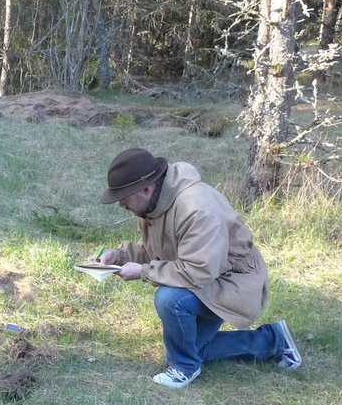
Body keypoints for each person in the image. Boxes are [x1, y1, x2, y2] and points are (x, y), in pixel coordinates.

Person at [95, 147, 302, 389]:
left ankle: (184, 368)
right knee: (195, 348)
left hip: (233, 281)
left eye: (124, 196)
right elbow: (160, 252)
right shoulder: (154, 204)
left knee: (170, 299)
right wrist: (119, 256)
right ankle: (273, 341)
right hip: (211, 277)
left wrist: (143, 272)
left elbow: (196, 271)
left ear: (146, 188)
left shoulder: (197, 209)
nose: (121, 204)